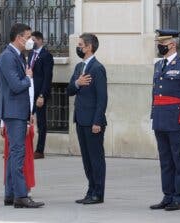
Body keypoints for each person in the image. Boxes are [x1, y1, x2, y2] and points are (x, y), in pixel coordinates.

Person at [149, 29, 180, 211]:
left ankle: (179, 197)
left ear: (172, 45)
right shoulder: (158, 65)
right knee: (165, 160)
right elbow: (155, 93)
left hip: (177, 119)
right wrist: (152, 115)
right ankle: (167, 195)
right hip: (161, 118)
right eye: (158, 44)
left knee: (179, 160)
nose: (159, 47)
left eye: (161, 45)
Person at [0, 23, 44, 208]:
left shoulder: (17, 55)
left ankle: (11, 194)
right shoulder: (8, 57)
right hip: (13, 112)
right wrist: (28, 77)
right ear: (19, 37)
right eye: (28, 36)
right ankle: (21, 196)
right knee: (17, 154)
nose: (30, 40)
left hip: (17, 111)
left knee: (13, 155)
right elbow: (17, 85)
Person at [67, 33, 108, 205]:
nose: (78, 48)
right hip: (80, 119)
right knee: (86, 159)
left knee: (96, 158)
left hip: (93, 121)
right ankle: (90, 190)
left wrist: (97, 121)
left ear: (89, 47)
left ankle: (98, 193)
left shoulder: (97, 68)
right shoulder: (78, 68)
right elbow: (69, 90)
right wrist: (78, 83)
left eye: (81, 45)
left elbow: (102, 98)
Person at [1, 73, 35, 194]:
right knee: (11, 156)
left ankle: (25, 186)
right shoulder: (10, 62)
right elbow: (5, 93)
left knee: (23, 157)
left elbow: (30, 97)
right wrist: (2, 122)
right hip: (11, 118)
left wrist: (27, 122)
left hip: (22, 118)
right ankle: (12, 190)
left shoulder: (24, 72)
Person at [28, 31, 54, 159]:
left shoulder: (46, 55)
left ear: (40, 40)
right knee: (28, 120)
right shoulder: (31, 53)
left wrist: (42, 95)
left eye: (33, 40)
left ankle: (39, 150)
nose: (31, 42)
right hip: (29, 92)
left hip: (39, 95)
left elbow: (47, 78)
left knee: (41, 123)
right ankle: (26, 148)